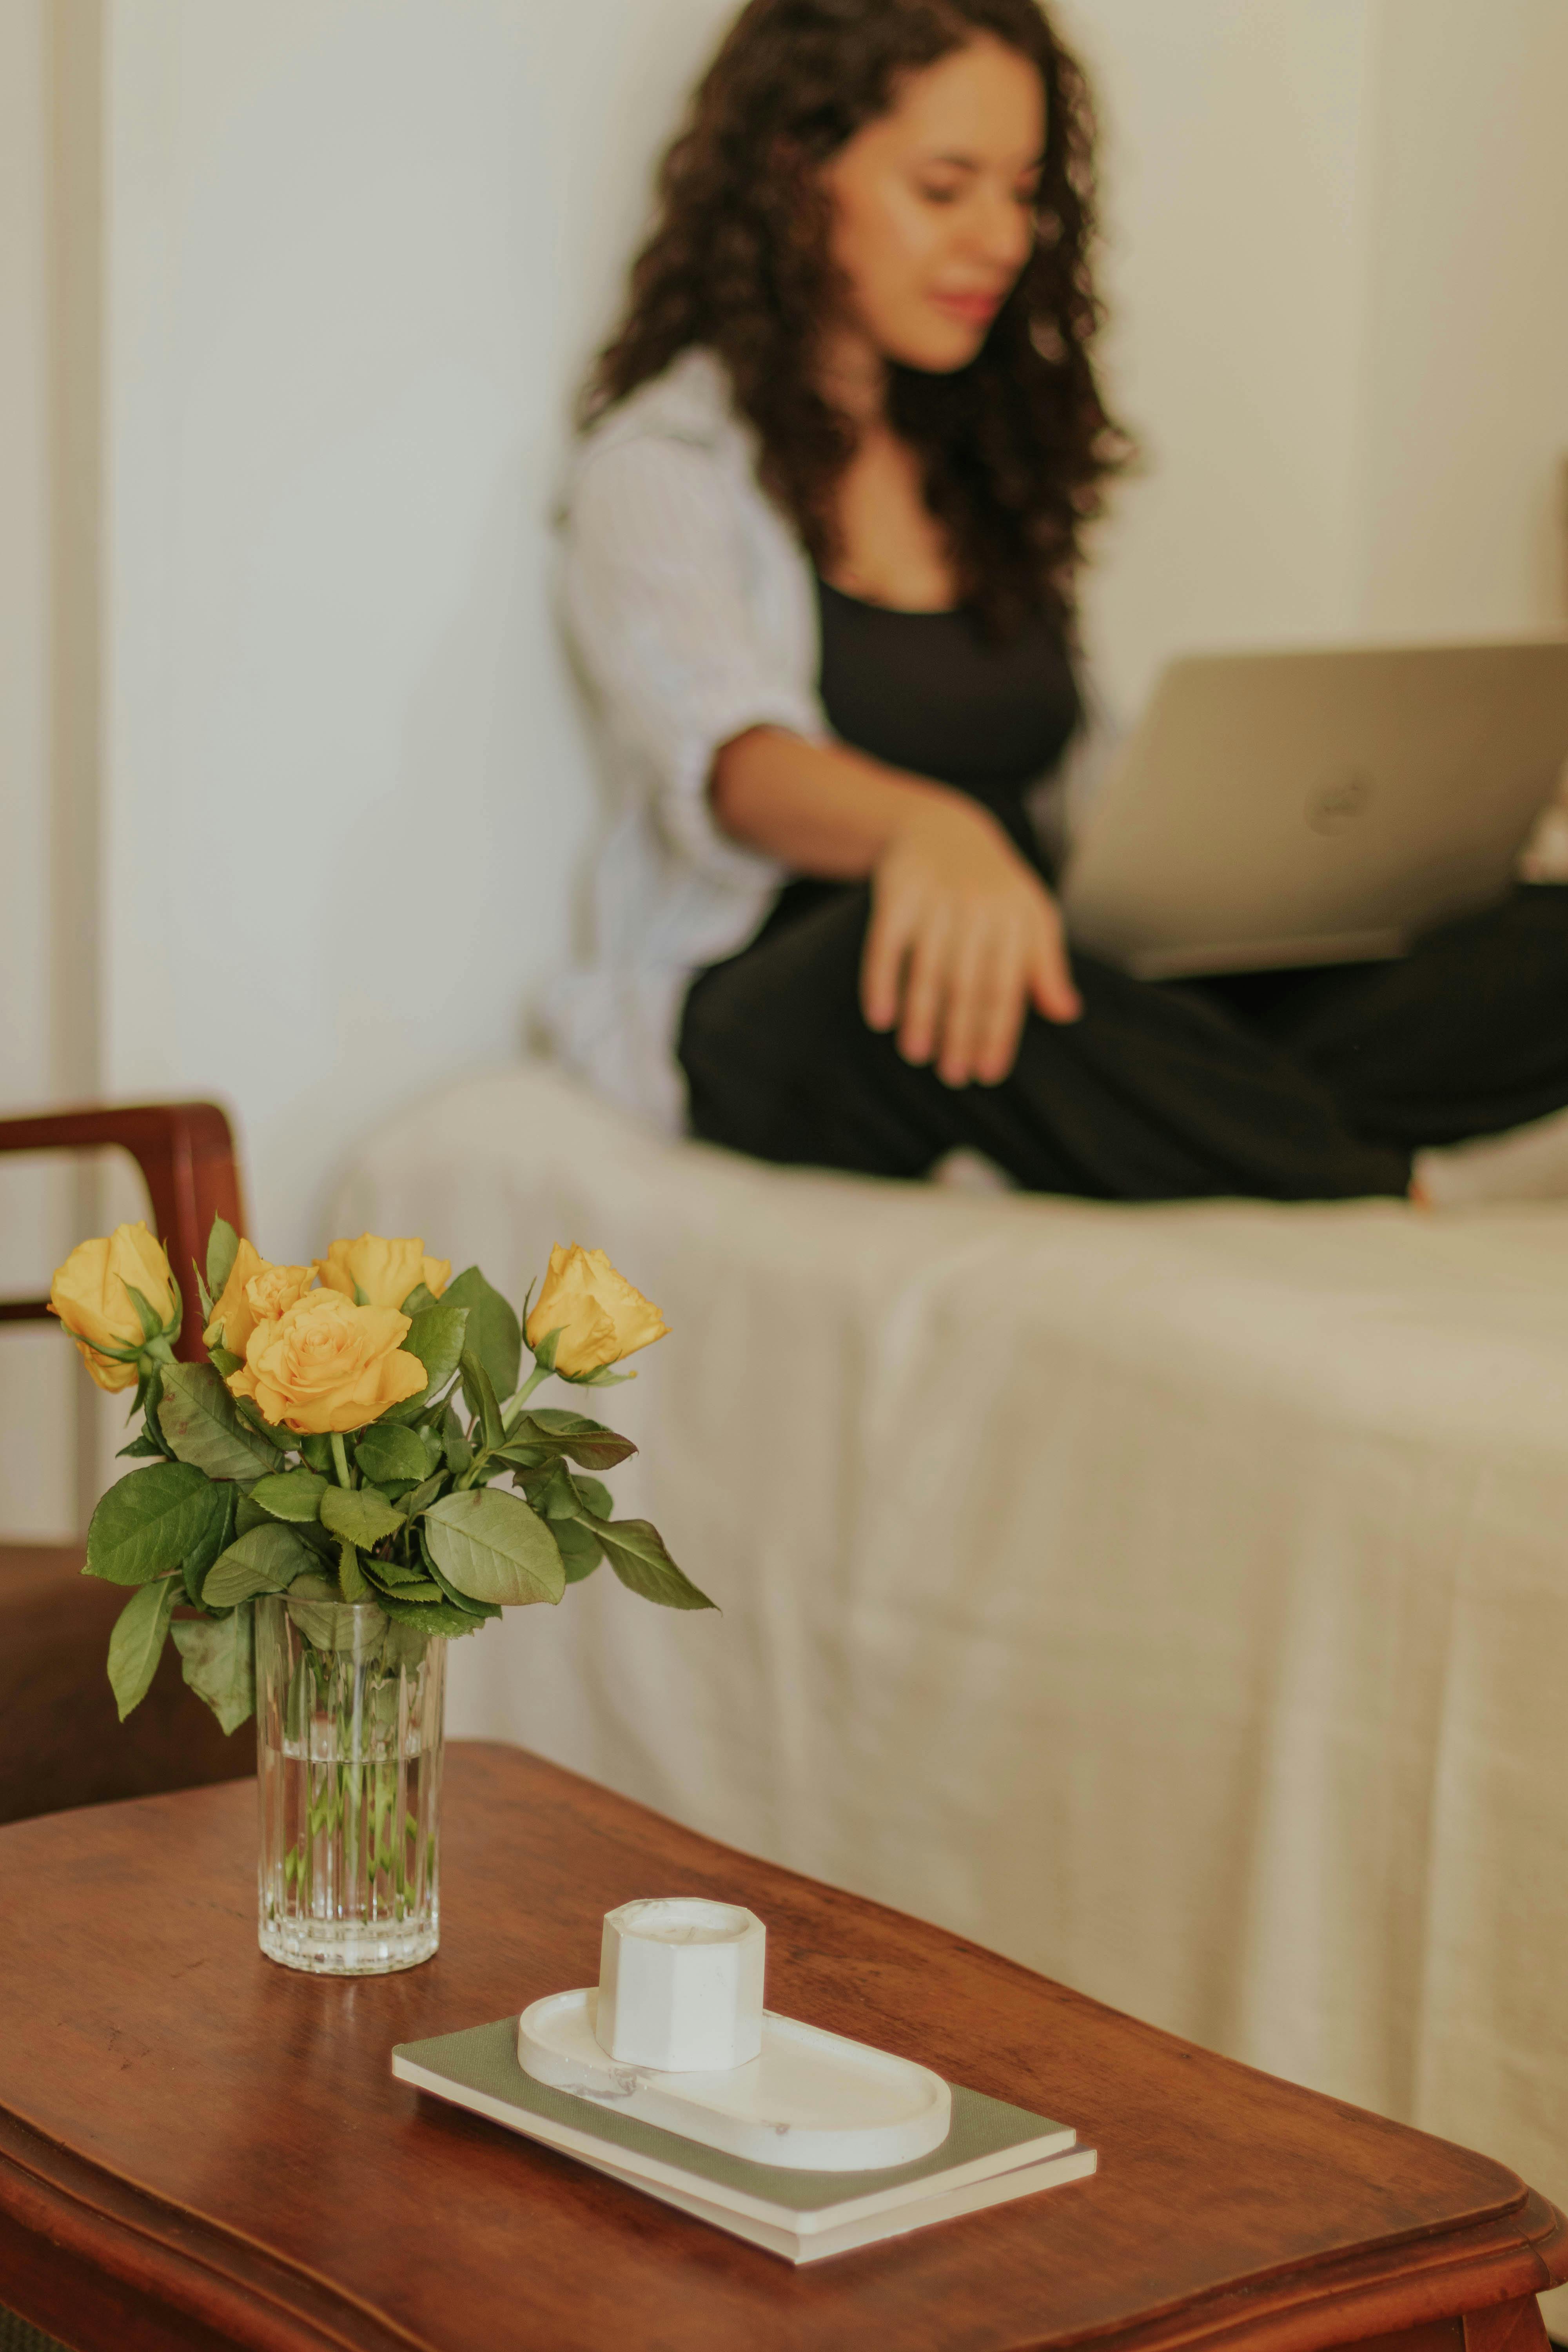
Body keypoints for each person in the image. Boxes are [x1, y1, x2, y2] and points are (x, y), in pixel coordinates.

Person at [548, 0, 1568, 1203]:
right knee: (942, 966)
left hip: (1048, 965)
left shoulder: (981, 458)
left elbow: (1072, 776)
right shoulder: (663, 465)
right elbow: (733, 763)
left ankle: (1202, 1107)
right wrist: (928, 833)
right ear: (794, 175)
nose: (1000, 238)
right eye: (945, 189)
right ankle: (1367, 1179)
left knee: (1537, 939)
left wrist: (1271, 885)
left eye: (1023, 191)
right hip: (815, 1000)